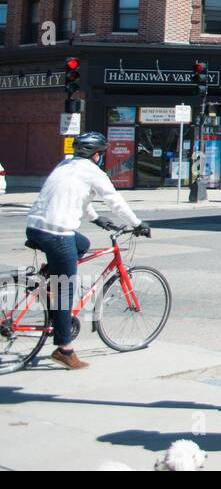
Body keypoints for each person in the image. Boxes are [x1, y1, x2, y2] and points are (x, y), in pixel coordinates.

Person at [25, 132, 150, 370]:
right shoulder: (93, 172)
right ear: (97, 155)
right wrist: (137, 224)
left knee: (82, 245)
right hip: (57, 233)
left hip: (35, 228)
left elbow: (77, 197)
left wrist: (96, 219)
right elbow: (115, 200)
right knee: (65, 290)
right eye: (101, 154)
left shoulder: (65, 164)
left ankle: (50, 276)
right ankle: (64, 349)